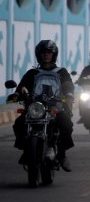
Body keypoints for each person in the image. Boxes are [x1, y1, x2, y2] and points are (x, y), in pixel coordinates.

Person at [12, 40, 75, 172]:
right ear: (38, 55)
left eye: (49, 53)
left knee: (66, 123)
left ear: (54, 54)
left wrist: (69, 93)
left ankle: (62, 155)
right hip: (36, 107)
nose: (46, 55)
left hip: (55, 106)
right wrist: (17, 94)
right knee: (19, 123)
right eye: (43, 53)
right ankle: (26, 149)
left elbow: (68, 84)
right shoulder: (32, 73)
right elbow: (22, 86)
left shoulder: (61, 72)